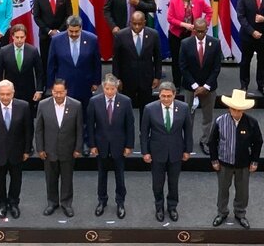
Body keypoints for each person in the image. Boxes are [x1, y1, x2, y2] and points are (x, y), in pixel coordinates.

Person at [210, 89, 263, 229]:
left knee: (242, 191)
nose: (236, 112)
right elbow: (212, 142)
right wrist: (214, 160)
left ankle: (240, 213)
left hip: (244, 164)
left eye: (239, 110)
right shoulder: (220, 121)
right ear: (229, 108)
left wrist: (254, 161)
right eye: (234, 109)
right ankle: (222, 213)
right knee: (222, 189)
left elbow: (258, 142)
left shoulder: (252, 122)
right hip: (224, 163)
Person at [46, 15, 101, 149]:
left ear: (81, 28)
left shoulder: (92, 39)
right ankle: (69, 143)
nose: (74, 34)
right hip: (64, 85)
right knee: (66, 115)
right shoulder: (56, 40)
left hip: (85, 83)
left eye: (77, 31)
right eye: (71, 31)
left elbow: (96, 62)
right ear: (67, 28)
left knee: (86, 114)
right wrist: (51, 85)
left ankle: (86, 142)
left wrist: (96, 81)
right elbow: (51, 64)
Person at [140, 82, 192, 222]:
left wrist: (188, 150)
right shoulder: (149, 109)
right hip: (157, 152)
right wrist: (145, 152)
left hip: (176, 151)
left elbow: (188, 130)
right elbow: (144, 132)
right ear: (159, 95)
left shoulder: (183, 108)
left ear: (174, 95)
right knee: (157, 183)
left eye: (169, 96)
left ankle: (172, 207)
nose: (166, 99)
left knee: (173, 183)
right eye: (163, 96)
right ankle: (159, 207)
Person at [0, 80, 34, 219]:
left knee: (16, 181)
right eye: (2, 94)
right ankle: (2, 204)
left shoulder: (23, 106)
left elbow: (29, 130)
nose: (5, 97)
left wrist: (27, 150)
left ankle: (14, 203)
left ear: (13, 93)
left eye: (8, 94)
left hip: (18, 152)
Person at [87, 74, 134, 219]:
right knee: (102, 175)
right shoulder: (94, 101)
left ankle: (120, 202)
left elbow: (130, 125)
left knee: (120, 176)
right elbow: (90, 125)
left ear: (117, 87)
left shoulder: (125, 101)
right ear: (102, 87)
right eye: (107, 88)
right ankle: (102, 201)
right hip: (101, 145)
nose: (109, 91)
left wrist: (129, 146)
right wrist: (92, 145)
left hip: (119, 146)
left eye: (112, 89)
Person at [35, 79, 83, 217]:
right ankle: (52, 203)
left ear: (66, 91)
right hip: (49, 150)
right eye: (55, 92)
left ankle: (66, 204)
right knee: (50, 178)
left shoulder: (76, 105)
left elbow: (79, 129)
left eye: (61, 92)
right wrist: (40, 149)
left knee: (67, 179)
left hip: (68, 150)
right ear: (52, 91)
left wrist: (78, 148)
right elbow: (39, 129)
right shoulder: (43, 105)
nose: (58, 95)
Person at [179, 18, 222, 155]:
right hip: (190, 87)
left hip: (209, 88)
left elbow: (216, 68)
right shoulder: (185, 43)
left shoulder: (215, 43)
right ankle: (187, 141)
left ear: (207, 30)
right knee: (188, 116)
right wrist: (196, 86)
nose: (200, 34)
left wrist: (206, 86)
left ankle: (205, 141)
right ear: (194, 30)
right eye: (197, 31)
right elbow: (183, 67)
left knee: (207, 117)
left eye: (203, 31)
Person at [111, 11, 162, 117]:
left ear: (144, 22)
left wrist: (157, 76)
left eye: (139, 23)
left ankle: (143, 132)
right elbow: (116, 60)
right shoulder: (121, 35)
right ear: (130, 22)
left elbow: (157, 57)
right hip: (127, 79)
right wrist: (117, 79)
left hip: (146, 78)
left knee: (146, 109)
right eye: (134, 23)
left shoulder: (153, 35)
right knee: (126, 110)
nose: (137, 26)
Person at [166, 0, 211, 87]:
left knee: (191, 59)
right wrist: (183, 24)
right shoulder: (173, 1)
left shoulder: (199, 1)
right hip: (176, 34)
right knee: (176, 60)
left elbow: (209, 12)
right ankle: (176, 83)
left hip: (192, 35)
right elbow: (170, 18)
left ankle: (191, 83)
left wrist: (204, 24)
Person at [0, 24, 44, 116]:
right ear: (13, 36)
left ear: (25, 37)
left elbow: (39, 72)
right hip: (9, 93)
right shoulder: (4, 51)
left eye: (22, 37)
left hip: (29, 92)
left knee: (28, 119)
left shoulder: (33, 51)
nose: (19, 40)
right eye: (17, 37)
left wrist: (39, 90)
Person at [31, 0, 71, 74]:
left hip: (62, 34)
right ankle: (45, 83)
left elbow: (68, 15)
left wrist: (59, 31)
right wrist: (49, 31)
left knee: (62, 59)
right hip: (45, 35)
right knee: (45, 60)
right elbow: (37, 17)